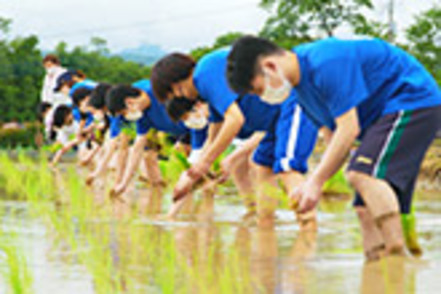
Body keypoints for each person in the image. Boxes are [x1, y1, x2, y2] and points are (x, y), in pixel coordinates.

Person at [226, 36, 441, 258]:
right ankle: (381, 268)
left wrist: (317, 182)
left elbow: (349, 129)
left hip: (413, 101)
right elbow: (334, 137)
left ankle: (397, 257)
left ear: (270, 67)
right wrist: (314, 182)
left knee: (362, 175)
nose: (263, 98)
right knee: (363, 207)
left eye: (258, 90)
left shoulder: (325, 62)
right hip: (382, 118)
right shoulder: (301, 92)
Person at [151, 49, 318, 229]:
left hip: (295, 101)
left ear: (177, 81)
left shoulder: (204, 73)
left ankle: (308, 230)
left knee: (287, 166)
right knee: (262, 166)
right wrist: (193, 174)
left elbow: (235, 120)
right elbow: (213, 133)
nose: (181, 97)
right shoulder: (209, 92)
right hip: (274, 120)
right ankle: (266, 226)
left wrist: (204, 164)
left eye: (178, 92)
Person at [105, 80, 207, 213]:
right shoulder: (142, 114)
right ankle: (193, 215)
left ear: (129, 102)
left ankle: (186, 216)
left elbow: (197, 114)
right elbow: (137, 147)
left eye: (124, 113)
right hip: (185, 132)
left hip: (200, 125)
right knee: (197, 178)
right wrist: (123, 184)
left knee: (195, 175)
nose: (127, 117)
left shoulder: (163, 93)